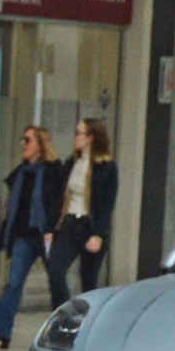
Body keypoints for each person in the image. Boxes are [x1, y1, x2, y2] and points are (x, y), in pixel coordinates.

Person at [0, 127, 65, 349]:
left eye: (27, 140)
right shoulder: (21, 173)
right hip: (23, 237)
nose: (23, 144)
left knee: (56, 282)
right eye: (22, 139)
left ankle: (65, 330)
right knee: (14, 283)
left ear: (40, 144)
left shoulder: (54, 170)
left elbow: (60, 202)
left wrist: (52, 227)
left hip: (46, 235)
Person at [46, 119, 119, 300]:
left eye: (79, 133)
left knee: (88, 282)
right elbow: (60, 198)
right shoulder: (72, 162)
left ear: (91, 138)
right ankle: (65, 316)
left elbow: (106, 204)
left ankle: (87, 322)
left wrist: (99, 235)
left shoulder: (107, 167)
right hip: (70, 223)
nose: (75, 137)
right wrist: (50, 227)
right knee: (55, 272)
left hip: (90, 227)